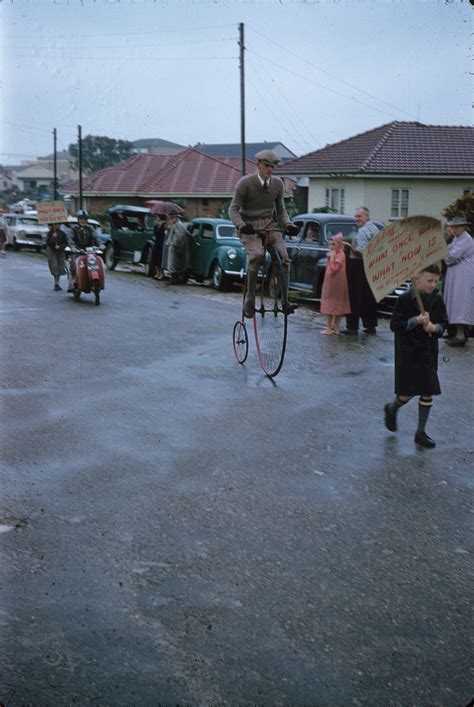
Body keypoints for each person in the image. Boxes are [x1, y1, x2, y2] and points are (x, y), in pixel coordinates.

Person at [228, 149, 299, 318]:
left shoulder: (277, 184)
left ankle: (285, 301)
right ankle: (250, 300)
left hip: (269, 225)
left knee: (284, 257)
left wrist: (288, 224)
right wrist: (241, 225)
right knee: (258, 255)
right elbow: (233, 209)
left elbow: (281, 211)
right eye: (267, 166)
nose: (270, 170)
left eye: (273, 167)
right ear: (257, 165)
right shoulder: (245, 184)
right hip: (249, 228)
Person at [384, 264, 448, 449]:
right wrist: (415, 321)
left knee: (428, 390)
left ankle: (420, 432)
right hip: (408, 352)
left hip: (428, 352)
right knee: (406, 394)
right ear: (417, 279)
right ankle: (392, 407)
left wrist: (434, 328)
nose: (433, 284)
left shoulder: (437, 300)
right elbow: (395, 325)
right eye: (429, 281)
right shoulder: (404, 299)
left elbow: (443, 324)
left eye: (436, 281)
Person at [344, 207, 383, 335]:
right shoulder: (375, 229)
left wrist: (350, 247)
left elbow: (362, 252)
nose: (357, 219)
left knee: (354, 296)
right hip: (371, 266)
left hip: (358, 265)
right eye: (356, 217)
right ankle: (370, 325)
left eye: (359, 216)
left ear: (367, 216)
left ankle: (352, 327)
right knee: (369, 296)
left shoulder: (363, 231)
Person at [442, 213, 474, 347]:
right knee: (454, 302)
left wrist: (447, 254)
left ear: (462, 227)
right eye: (452, 227)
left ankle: (460, 335)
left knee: (460, 303)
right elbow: (448, 254)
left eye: (456, 227)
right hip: (457, 275)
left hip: (463, 277)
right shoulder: (457, 239)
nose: (453, 230)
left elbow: (450, 257)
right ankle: (456, 332)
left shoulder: (466, 239)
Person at [319, 233, 351, 335]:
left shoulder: (339, 255)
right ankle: (334, 327)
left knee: (332, 304)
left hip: (335, 284)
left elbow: (333, 269)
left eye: (333, 244)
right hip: (332, 282)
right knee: (335, 304)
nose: (331, 247)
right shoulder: (339, 253)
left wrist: (331, 258)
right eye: (330, 244)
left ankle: (330, 327)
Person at [67, 209, 104, 291]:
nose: (82, 221)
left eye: (84, 219)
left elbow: (95, 237)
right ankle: (73, 281)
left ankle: (97, 279)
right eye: (80, 219)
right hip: (77, 250)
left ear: (86, 220)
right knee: (74, 263)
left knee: (96, 262)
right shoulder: (74, 229)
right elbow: (70, 238)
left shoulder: (90, 228)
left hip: (89, 251)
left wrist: (100, 244)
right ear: (78, 220)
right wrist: (73, 247)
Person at [166, 210, 191, 285]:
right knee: (175, 264)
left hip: (176, 247)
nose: (170, 219)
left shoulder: (178, 225)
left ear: (174, 218)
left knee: (174, 264)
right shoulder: (176, 224)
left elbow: (178, 236)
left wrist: (173, 243)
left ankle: (174, 280)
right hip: (176, 246)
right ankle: (175, 279)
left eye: (171, 218)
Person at [46, 223, 68, 290]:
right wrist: (53, 237)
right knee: (54, 266)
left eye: (57, 224)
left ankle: (57, 283)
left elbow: (65, 242)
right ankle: (56, 283)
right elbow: (48, 242)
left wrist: (60, 246)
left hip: (60, 252)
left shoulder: (62, 233)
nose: (56, 226)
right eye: (55, 225)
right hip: (52, 251)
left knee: (60, 266)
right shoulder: (50, 233)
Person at [151, 213, 167, 280]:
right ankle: (157, 273)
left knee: (160, 259)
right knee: (155, 258)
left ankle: (161, 273)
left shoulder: (164, 225)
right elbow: (155, 233)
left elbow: (164, 233)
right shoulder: (157, 224)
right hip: (157, 242)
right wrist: (156, 225)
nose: (156, 218)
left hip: (161, 243)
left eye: (157, 217)